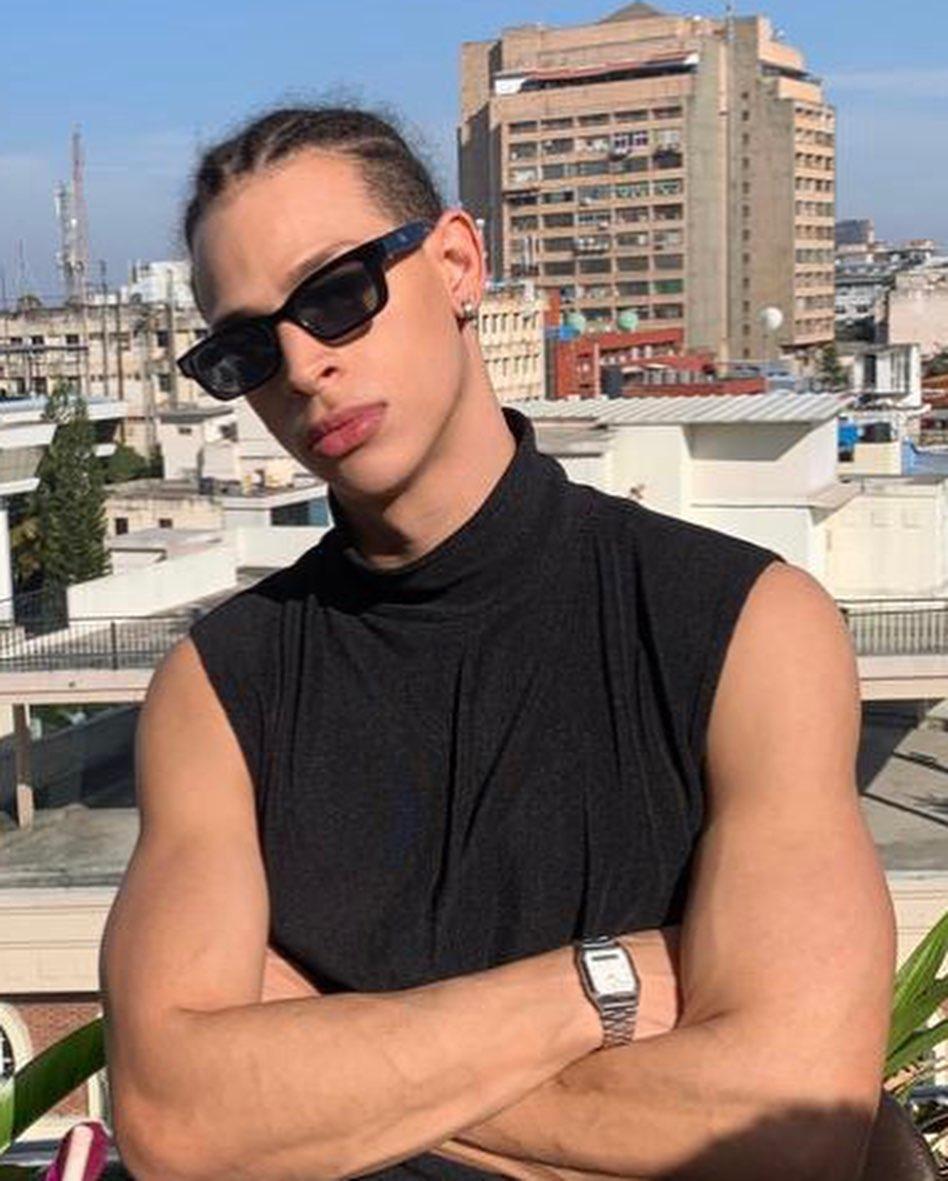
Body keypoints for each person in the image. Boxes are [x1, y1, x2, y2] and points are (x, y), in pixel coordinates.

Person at [99, 105, 895, 1181]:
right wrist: (597, 988)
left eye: (336, 296)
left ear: (458, 265)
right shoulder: (219, 686)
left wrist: (323, 1058)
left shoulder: (744, 624)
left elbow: (791, 1124)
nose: (300, 364)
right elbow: (175, 1121)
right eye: (245, 346)